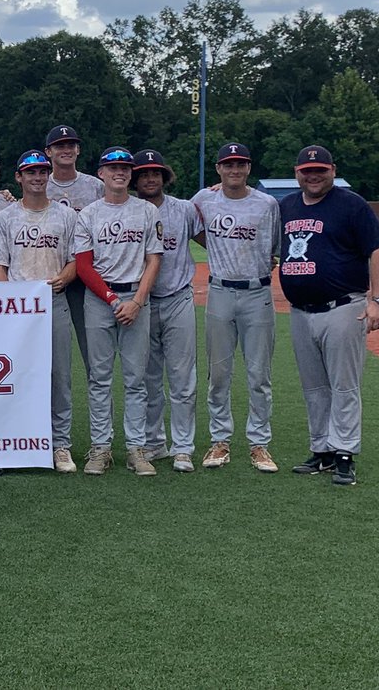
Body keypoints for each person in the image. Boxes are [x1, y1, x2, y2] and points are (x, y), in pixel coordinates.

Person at [279, 145, 379, 487]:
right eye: (307, 170)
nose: (313, 175)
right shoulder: (286, 206)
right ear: (296, 172)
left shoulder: (351, 204)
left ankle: (344, 453)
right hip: (300, 311)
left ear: (333, 171)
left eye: (320, 170)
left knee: (343, 385)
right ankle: (322, 450)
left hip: (343, 307)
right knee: (314, 386)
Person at [0, 150, 80, 473]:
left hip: (54, 301)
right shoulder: (6, 217)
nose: (37, 178)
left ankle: (60, 444)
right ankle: (16, 441)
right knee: (16, 375)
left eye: (42, 172)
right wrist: (9, 299)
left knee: (59, 375)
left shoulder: (65, 216)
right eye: (31, 173)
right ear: (19, 177)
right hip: (18, 309)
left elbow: (74, 261)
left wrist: (64, 278)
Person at [72, 147, 163, 476]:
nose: (119, 173)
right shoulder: (90, 214)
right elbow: (84, 266)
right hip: (100, 301)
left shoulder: (146, 212)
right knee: (99, 378)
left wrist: (137, 301)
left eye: (125, 168)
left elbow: (154, 259)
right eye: (113, 168)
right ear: (101, 173)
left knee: (136, 379)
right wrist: (113, 300)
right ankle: (101, 447)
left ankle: (136, 449)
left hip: (136, 297)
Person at [191, 143, 281, 473]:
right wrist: (214, 245)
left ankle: (259, 443)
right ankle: (220, 440)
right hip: (220, 291)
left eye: (240, 164)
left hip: (257, 292)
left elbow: (274, 248)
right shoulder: (204, 199)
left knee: (259, 374)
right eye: (228, 165)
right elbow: (189, 226)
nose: (234, 170)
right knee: (219, 373)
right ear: (218, 168)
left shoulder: (266, 203)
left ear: (248, 167)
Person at [132, 150, 201, 473]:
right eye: (144, 174)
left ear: (164, 176)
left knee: (182, 377)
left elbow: (208, 238)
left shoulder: (184, 209)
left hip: (177, 297)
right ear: (135, 179)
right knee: (147, 378)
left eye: (155, 173)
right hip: (140, 302)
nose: (150, 179)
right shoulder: (130, 211)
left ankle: (183, 446)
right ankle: (153, 442)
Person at [43, 124, 104, 377]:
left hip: (87, 278)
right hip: (50, 277)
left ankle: (102, 416)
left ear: (78, 150)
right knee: (47, 355)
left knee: (94, 357)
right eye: (60, 146)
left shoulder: (95, 186)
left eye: (71, 145)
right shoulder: (38, 182)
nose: (66, 150)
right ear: (49, 152)